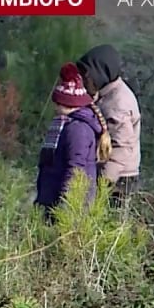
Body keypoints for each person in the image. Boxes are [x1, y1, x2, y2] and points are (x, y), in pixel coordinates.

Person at [35, 63, 111, 223]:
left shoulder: (77, 130)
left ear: (65, 103)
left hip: (71, 208)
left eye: (57, 103)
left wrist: (65, 206)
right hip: (55, 200)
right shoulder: (66, 124)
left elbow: (75, 170)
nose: (54, 107)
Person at [76, 44, 141, 207]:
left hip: (118, 179)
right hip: (109, 172)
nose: (84, 81)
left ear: (100, 74)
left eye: (87, 76)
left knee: (110, 225)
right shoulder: (106, 95)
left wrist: (102, 184)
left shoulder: (118, 103)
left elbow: (121, 148)